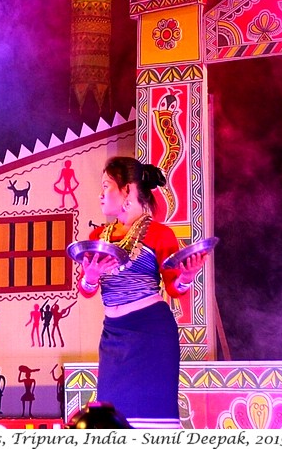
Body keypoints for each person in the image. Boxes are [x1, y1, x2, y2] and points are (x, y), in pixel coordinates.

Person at [77, 156, 207, 429]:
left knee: (152, 423)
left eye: (107, 186)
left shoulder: (160, 234)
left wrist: (185, 277)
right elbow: (87, 290)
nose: (101, 193)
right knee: (113, 422)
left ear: (128, 191)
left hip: (152, 336)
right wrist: (90, 277)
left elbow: (174, 287)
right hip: (113, 336)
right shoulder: (99, 235)